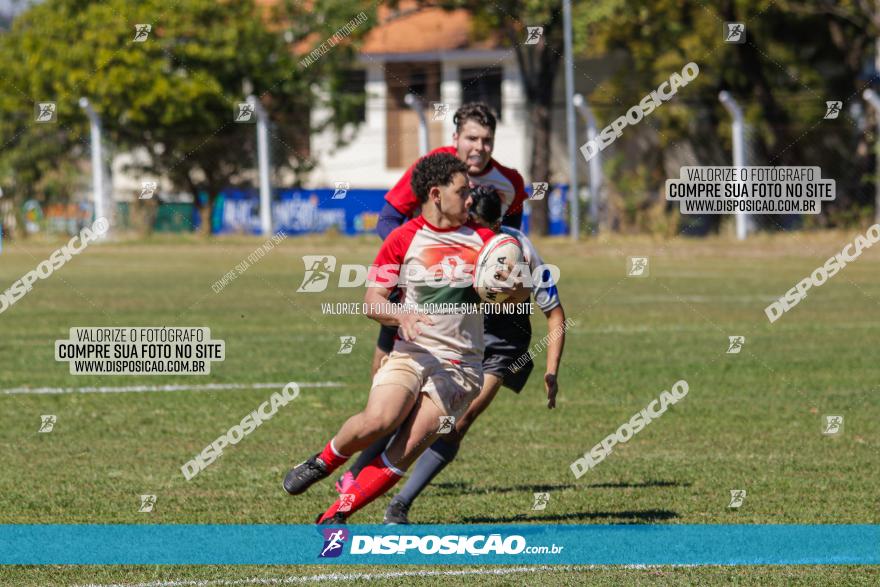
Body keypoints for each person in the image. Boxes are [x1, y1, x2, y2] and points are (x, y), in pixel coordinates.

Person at [283, 153, 517, 524]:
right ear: (436, 194)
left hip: (461, 367)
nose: (471, 198)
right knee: (379, 419)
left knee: (405, 448)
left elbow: (518, 298)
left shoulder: (487, 242)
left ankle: (334, 516)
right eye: (463, 191)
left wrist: (510, 286)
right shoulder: (403, 238)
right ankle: (323, 460)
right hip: (411, 352)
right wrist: (400, 314)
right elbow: (372, 302)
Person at [345, 185, 568, 524]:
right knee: (403, 410)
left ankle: (399, 505)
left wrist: (551, 370)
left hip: (502, 344)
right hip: (456, 338)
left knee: (456, 422)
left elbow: (554, 313)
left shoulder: (516, 248)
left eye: (481, 224)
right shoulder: (444, 244)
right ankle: (356, 478)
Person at [372, 102, 529, 376]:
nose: (479, 147)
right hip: (426, 279)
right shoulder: (435, 168)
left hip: (477, 284)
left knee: (475, 365)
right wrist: (408, 260)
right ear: (456, 138)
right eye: (472, 138)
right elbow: (387, 218)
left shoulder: (510, 182)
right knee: (388, 365)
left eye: (487, 140)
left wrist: (505, 269)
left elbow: (510, 238)